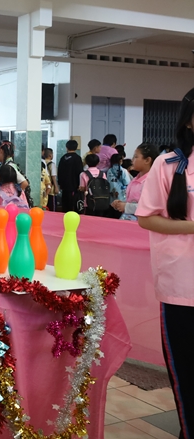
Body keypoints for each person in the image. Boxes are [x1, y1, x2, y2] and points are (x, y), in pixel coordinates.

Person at [136, 88, 194, 439]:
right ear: (188, 121)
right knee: (187, 373)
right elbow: (146, 218)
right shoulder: (169, 164)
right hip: (181, 287)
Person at [113, 143, 158, 221]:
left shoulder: (151, 181)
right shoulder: (135, 179)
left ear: (147, 160)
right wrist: (121, 203)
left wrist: (126, 206)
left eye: (136, 157)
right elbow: (132, 200)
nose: (132, 160)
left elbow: (149, 207)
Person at [58, 140, 84, 213]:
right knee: (73, 205)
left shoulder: (63, 158)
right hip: (74, 186)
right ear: (76, 148)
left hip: (64, 186)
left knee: (65, 205)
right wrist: (80, 184)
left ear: (66, 147)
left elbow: (59, 172)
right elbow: (80, 172)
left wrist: (60, 184)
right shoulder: (77, 158)